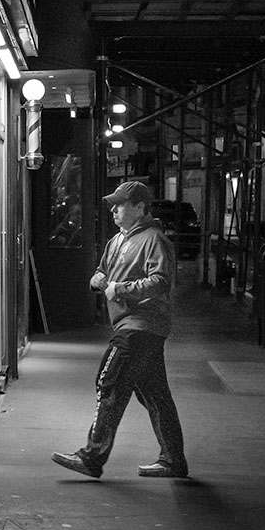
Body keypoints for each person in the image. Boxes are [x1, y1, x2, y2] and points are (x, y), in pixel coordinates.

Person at [51, 179, 189, 479]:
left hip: (141, 326)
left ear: (140, 208)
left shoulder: (155, 240)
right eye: (112, 204)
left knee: (109, 380)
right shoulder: (117, 241)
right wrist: (97, 279)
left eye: (120, 204)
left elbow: (161, 282)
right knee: (155, 395)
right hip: (135, 326)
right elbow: (104, 270)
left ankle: (92, 457)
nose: (113, 209)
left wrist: (121, 289)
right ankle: (174, 461)